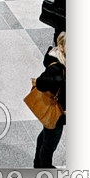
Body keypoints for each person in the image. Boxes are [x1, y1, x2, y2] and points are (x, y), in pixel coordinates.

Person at [32, 31, 66, 168]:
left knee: (46, 135)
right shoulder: (57, 68)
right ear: (62, 47)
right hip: (56, 111)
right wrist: (58, 79)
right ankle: (44, 169)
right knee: (50, 144)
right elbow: (41, 83)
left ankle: (38, 164)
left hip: (57, 110)